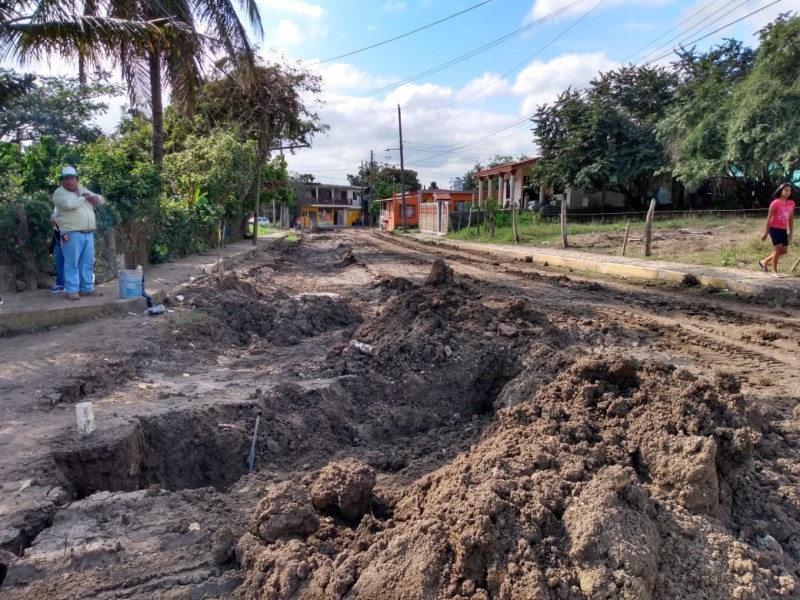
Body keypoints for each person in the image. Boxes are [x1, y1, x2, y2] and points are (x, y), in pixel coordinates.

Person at [52, 165, 105, 300]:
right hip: (70, 233)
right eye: (66, 179)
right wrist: (83, 198)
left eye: (72, 179)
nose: (69, 181)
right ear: (62, 181)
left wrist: (96, 199)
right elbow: (69, 205)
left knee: (87, 262)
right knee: (71, 262)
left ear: (77, 180)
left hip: (88, 233)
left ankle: (87, 288)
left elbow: (101, 199)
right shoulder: (59, 193)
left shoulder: (83, 190)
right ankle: (72, 290)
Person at [758, 182, 795, 277]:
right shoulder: (775, 203)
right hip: (774, 228)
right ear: (781, 190)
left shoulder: (791, 203)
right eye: (785, 190)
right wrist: (765, 232)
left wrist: (790, 231)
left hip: (783, 229)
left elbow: (791, 218)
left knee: (784, 251)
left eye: (789, 190)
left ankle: (764, 261)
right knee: (778, 249)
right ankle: (774, 271)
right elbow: (769, 218)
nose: (787, 192)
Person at [48, 207, 65, 293]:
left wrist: (65, 243)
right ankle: (60, 284)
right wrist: (52, 245)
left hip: (67, 242)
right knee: (59, 264)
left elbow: (66, 233)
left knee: (71, 264)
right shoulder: (56, 211)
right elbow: (56, 233)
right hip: (59, 243)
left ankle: (71, 284)